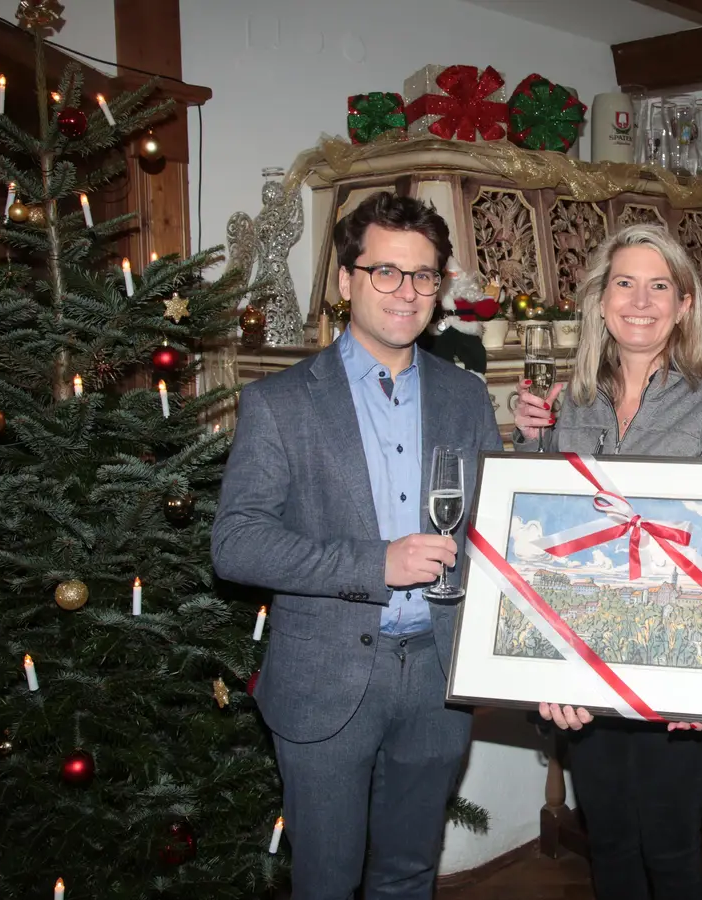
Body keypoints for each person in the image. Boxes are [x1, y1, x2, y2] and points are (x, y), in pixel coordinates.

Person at [211, 192, 501, 900]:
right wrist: (377, 564)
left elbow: (495, 526)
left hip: (437, 676)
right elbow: (236, 545)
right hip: (325, 680)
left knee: (408, 875)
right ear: (346, 281)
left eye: (424, 275)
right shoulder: (279, 403)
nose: (407, 292)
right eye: (386, 272)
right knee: (326, 882)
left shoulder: (465, 396)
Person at [514, 223, 702, 900]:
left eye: (659, 286)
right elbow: (538, 539)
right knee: (612, 845)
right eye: (625, 282)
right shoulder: (573, 402)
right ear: (600, 300)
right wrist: (530, 443)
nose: (640, 300)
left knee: (672, 848)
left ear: (684, 304)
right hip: (588, 664)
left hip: (677, 661)